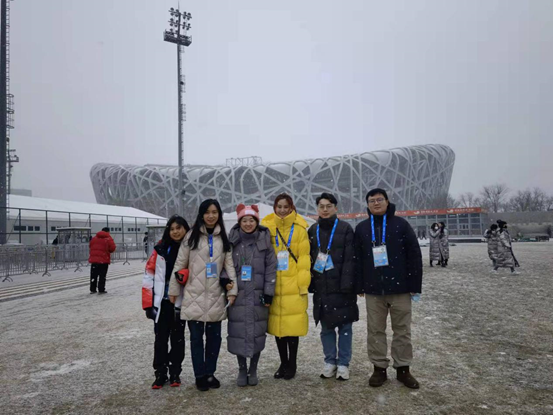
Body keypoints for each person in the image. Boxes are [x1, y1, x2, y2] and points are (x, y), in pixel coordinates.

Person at [354, 188, 423, 389]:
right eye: (372, 201)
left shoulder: (401, 225)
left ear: (387, 201)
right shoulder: (362, 228)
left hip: (400, 288)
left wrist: (414, 285)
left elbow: (414, 255)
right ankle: (379, 368)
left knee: (402, 330)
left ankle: (403, 369)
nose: (376, 203)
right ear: (367, 205)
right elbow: (357, 259)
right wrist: (359, 284)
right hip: (374, 290)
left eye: (379, 199)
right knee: (375, 330)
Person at [168, 199, 238, 391]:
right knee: (196, 339)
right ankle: (200, 375)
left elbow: (229, 267)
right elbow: (180, 264)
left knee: (214, 339)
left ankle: (210, 373)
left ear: (219, 214)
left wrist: (232, 291)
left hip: (216, 295)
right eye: (207, 212)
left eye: (214, 212)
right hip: (194, 295)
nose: (211, 216)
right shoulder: (190, 237)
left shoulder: (223, 239)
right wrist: (173, 290)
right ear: (201, 214)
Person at [224, 204, 276, 387]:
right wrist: (226, 283)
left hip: (257, 295)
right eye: (244, 220)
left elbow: (271, 268)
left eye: (251, 220)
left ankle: (253, 369)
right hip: (237, 295)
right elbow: (224, 264)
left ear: (256, 222)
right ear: (239, 222)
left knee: (256, 332)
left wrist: (268, 292)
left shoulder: (265, 241)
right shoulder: (232, 242)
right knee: (238, 332)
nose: (248, 224)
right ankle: (241, 368)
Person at [307, 193, 358, 381]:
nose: (325, 209)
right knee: (326, 328)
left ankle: (343, 363)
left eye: (329, 206)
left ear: (335, 208)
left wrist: (347, 285)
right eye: (321, 206)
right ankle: (330, 361)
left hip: (342, 288)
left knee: (345, 327)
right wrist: (312, 283)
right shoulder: (313, 230)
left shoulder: (345, 229)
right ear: (317, 209)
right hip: (322, 287)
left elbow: (350, 259)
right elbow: (309, 259)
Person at [261, 193, 311, 380]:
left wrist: (302, 285)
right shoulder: (267, 227)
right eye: (279, 206)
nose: (282, 210)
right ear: (274, 208)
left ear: (291, 208)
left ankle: (292, 363)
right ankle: (283, 362)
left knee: (292, 327)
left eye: (285, 207)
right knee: (278, 327)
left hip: (293, 284)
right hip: (274, 284)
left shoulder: (299, 229)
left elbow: (304, 260)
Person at [142, 215, 190, 389]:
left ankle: (175, 371)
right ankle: (160, 373)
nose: (175, 232)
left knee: (178, 339)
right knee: (160, 339)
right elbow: (148, 275)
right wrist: (148, 304)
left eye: (179, 228)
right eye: (172, 229)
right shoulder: (160, 249)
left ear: (186, 229)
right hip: (162, 302)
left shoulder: (191, 248)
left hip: (181, 302)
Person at [88, 227, 116, 294]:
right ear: (108, 232)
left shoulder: (94, 238)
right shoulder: (108, 238)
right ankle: (101, 289)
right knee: (102, 275)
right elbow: (112, 248)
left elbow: (90, 246)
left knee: (93, 275)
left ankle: (93, 289)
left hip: (94, 260)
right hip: (103, 260)